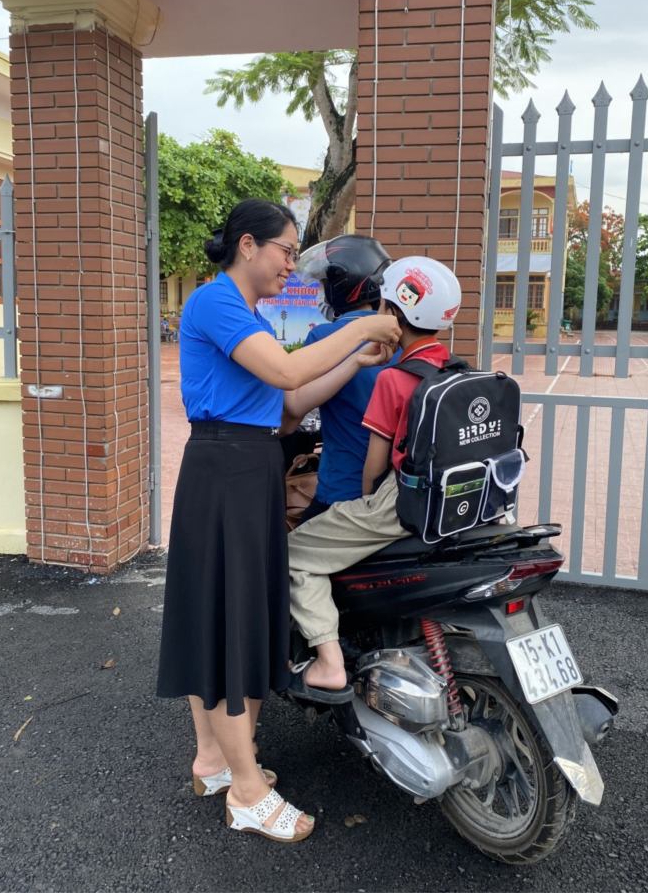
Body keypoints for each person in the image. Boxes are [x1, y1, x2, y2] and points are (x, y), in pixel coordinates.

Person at [156, 199, 400, 843]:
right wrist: (366, 327)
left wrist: (353, 360)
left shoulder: (249, 314)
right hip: (227, 470)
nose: (293, 264)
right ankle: (246, 792)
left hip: (247, 466)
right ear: (248, 245)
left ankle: (213, 762)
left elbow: (289, 403)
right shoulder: (216, 302)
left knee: (226, 620)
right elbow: (289, 370)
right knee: (232, 627)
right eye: (287, 250)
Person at [286, 256, 461, 703]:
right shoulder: (453, 369)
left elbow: (374, 464)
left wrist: (366, 501)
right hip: (446, 504)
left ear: (392, 312)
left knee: (293, 555)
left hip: (391, 501)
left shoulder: (393, 377)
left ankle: (329, 662)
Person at [283, 236, 399, 523]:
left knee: (290, 547)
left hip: (339, 491)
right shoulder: (399, 339)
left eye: (324, 285)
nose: (322, 293)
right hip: (392, 493)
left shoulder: (322, 336)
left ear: (343, 285)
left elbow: (293, 410)